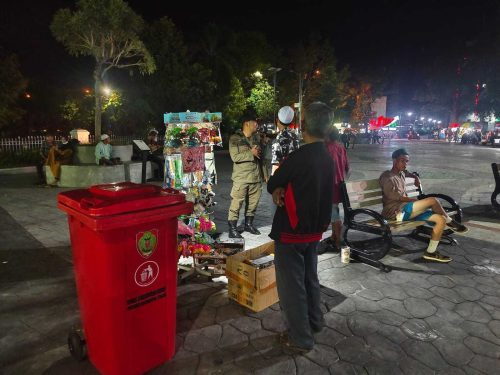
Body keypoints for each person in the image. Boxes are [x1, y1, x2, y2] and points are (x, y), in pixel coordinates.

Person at [267, 102, 334, 354]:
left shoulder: (299, 157)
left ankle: (301, 338)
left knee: (291, 287)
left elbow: (273, 181)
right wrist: (282, 188)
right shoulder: (327, 156)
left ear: (303, 125)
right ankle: (316, 322)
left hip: (291, 232)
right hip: (314, 231)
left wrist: (278, 188)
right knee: (310, 279)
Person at [379, 148, 468, 263]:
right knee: (432, 200)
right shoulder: (387, 177)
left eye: (407, 161)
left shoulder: (401, 173)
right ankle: (450, 221)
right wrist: (414, 200)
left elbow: (406, 173)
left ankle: (430, 252)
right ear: (394, 160)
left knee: (440, 220)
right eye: (403, 161)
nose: (405, 164)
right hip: (395, 212)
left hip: (408, 211)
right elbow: (394, 197)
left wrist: (414, 177)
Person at [227, 111, 264, 238]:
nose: (257, 125)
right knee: (237, 203)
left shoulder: (256, 138)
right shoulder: (235, 139)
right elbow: (235, 157)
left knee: (253, 203)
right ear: (247, 124)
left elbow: (260, 158)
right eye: (255, 123)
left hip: (255, 177)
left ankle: (248, 224)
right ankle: (232, 229)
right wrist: (250, 153)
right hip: (241, 178)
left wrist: (265, 175)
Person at [324, 127, 350, 251]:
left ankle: (339, 240)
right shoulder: (341, 147)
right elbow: (347, 167)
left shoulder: (327, 148)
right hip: (340, 184)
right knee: (335, 210)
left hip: (330, 185)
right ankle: (334, 235)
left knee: (334, 213)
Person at [271, 106, 300, 175]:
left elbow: (276, 165)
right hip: (296, 174)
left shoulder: (278, 139)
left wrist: (272, 182)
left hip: (284, 176)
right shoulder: (295, 135)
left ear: (277, 120)